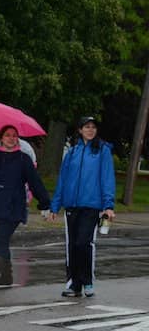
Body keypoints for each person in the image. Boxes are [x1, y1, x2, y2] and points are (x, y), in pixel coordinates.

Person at [0, 125, 51, 287]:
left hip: (13, 207)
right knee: (2, 241)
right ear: (1, 138)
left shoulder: (23, 159)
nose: (11, 138)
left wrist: (45, 203)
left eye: (14, 136)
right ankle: (7, 276)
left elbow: (35, 182)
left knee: (1, 240)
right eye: (7, 135)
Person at [49, 116, 115, 298]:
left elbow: (107, 179)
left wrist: (108, 205)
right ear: (80, 130)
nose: (90, 130)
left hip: (91, 206)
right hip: (72, 206)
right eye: (87, 127)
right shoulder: (72, 152)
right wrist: (55, 206)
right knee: (72, 245)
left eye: (93, 127)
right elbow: (62, 180)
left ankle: (87, 281)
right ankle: (73, 284)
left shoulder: (102, 151)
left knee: (84, 243)